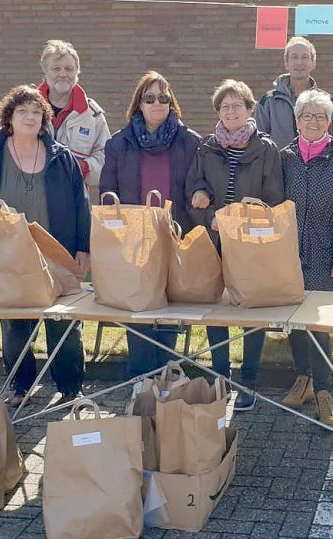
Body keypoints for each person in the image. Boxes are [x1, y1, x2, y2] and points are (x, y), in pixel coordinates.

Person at [0, 84, 90, 406]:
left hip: (56, 250)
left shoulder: (62, 157)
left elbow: (80, 203)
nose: (30, 117)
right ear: (9, 117)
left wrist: (83, 247)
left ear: (44, 119)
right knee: (16, 324)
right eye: (23, 111)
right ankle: (21, 387)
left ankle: (70, 388)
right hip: (7, 255)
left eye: (37, 112)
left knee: (63, 322)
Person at [186, 79, 284, 411]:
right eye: (225, 106)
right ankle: (221, 377)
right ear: (218, 111)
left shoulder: (266, 149)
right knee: (217, 311)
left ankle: (250, 380)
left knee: (250, 310)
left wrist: (237, 220)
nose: (231, 112)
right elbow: (193, 188)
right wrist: (205, 205)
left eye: (237, 105)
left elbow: (273, 199)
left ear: (249, 110)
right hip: (212, 238)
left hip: (251, 243)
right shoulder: (206, 146)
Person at [99, 71, 201, 376]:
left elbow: (200, 182)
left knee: (169, 311)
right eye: (150, 97)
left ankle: (168, 378)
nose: (158, 103)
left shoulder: (190, 141)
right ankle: (140, 380)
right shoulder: (119, 143)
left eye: (163, 97)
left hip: (174, 235)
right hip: (133, 241)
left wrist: (202, 192)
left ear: (171, 103)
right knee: (139, 308)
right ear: (138, 104)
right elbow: (108, 194)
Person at [279, 89, 333, 428]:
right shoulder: (283, 158)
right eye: (307, 115)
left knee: (320, 325)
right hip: (288, 255)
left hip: (327, 256)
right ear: (297, 121)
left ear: (330, 122)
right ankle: (304, 380)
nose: (313, 122)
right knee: (296, 321)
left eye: (320, 116)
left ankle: (325, 392)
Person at [37, 40, 111, 196]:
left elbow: (107, 159)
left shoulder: (92, 115)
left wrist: (82, 168)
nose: (63, 74)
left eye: (69, 69)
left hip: (73, 201)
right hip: (31, 197)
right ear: (45, 73)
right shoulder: (25, 109)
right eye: (56, 68)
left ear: (77, 73)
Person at [255, 36, 333, 149]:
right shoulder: (268, 102)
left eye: (305, 57)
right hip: (278, 166)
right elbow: (258, 144)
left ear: (313, 63)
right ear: (286, 62)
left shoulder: (327, 101)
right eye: (294, 57)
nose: (299, 62)